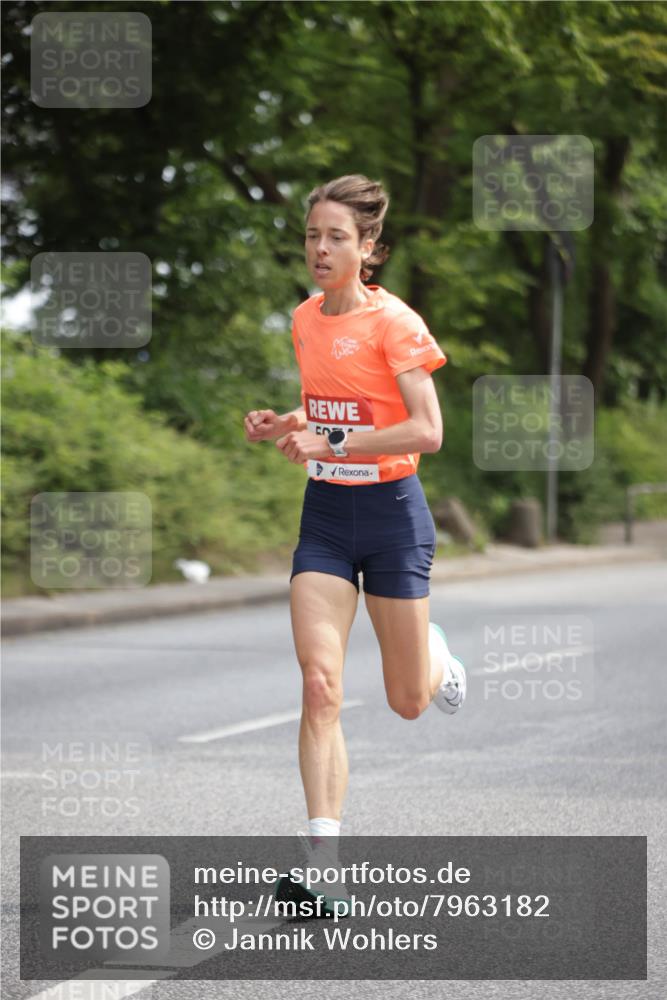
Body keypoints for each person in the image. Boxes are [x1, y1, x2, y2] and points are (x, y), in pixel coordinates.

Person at [244, 174, 466, 915]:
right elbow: (327, 399)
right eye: (311, 234)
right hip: (327, 519)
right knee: (318, 686)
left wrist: (330, 437)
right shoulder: (305, 319)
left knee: (406, 701)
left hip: (394, 514)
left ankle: (435, 654)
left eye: (335, 236)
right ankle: (321, 866)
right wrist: (286, 422)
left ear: (366, 248)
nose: (318, 248)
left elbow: (426, 430)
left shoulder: (395, 323)